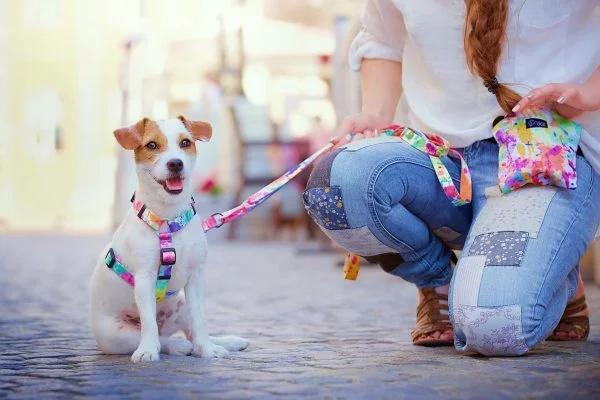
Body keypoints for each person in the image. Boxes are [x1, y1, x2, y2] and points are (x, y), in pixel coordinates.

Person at [303, 0, 600, 355]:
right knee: (334, 188)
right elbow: (383, 40)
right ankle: (437, 281)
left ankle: (553, 271)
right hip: (437, 160)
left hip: (545, 153)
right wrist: (374, 112)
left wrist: (589, 93)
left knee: (495, 325)